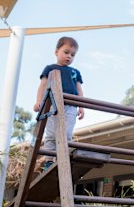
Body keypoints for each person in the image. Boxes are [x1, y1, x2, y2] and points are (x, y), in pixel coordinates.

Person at [34, 36, 85, 170]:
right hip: (52, 105)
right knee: (51, 134)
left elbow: (79, 89)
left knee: (67, 134)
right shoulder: (50, 68)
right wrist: (39, 102)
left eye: (73, 55)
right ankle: (49, 160)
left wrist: (81, 107)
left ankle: (63, 158)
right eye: (66, 52)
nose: (69, 56)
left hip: (71, 106)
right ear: (57, 52)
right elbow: (43, 85)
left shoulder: (75, 72)